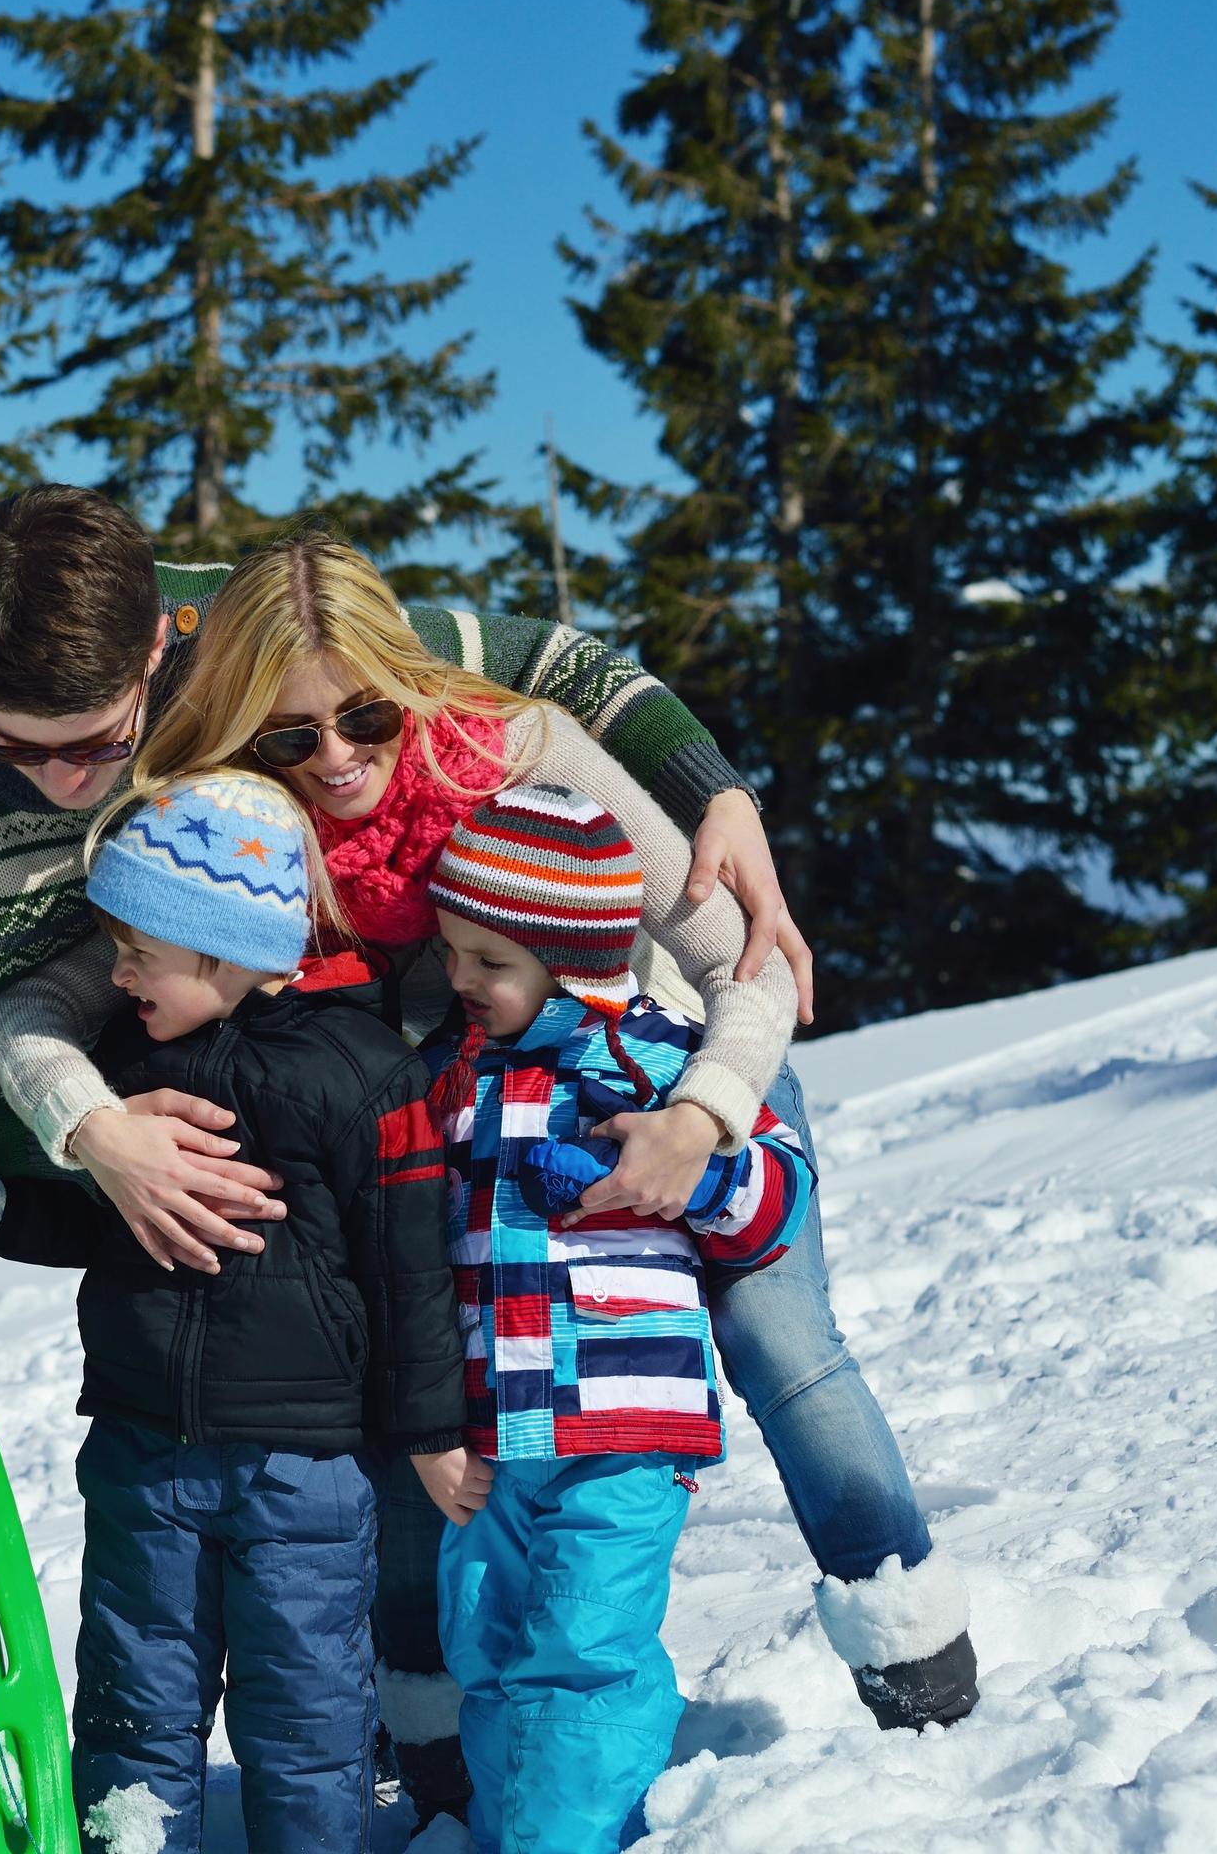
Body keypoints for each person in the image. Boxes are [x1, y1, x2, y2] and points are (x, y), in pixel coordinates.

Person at [0, 535, 969, 1815]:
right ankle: (442, 1748)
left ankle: (918, 1664)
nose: (334, 755)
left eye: (365, 715)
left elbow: (747, 961)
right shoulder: (242, 829)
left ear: (406, 682)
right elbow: (28, 1010)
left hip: (677, 1065)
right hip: (486, 1125)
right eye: (290, 735)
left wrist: (704, 1115)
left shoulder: (520, 753)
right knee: (414, 1400)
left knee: (777, 1333)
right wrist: (92, 1127)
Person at [0, 485, 807, 1414]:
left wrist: (717, 790)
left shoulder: (239, 634)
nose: (71, 785)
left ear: (162, 646)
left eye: (104, 744)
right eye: (23, 745)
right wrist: (93, 1136)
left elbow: (553, 661)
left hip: (128, 1007)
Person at [0, 768, 466, 1852]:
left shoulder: (363, 1076)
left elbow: (410, 1278)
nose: (114, 974)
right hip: (143, 1445)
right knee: (131, 1694)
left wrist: (432, 1434)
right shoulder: (124, 1072)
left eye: (137, 952)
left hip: (303, 1464)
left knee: (304, 1707)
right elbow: (91, 1225)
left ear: (220, 951)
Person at [415, 783, 815, 1853]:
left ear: (576, 959)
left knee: (586, 1647)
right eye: (452, 951)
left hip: (620, 1429)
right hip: (495, 1425)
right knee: (488, 1643)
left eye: (489, 962)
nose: (460, 978)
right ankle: (511, 1831)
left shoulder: (658, 1062)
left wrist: (686, 1171)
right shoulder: (454, 1079)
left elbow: (775, 1201)